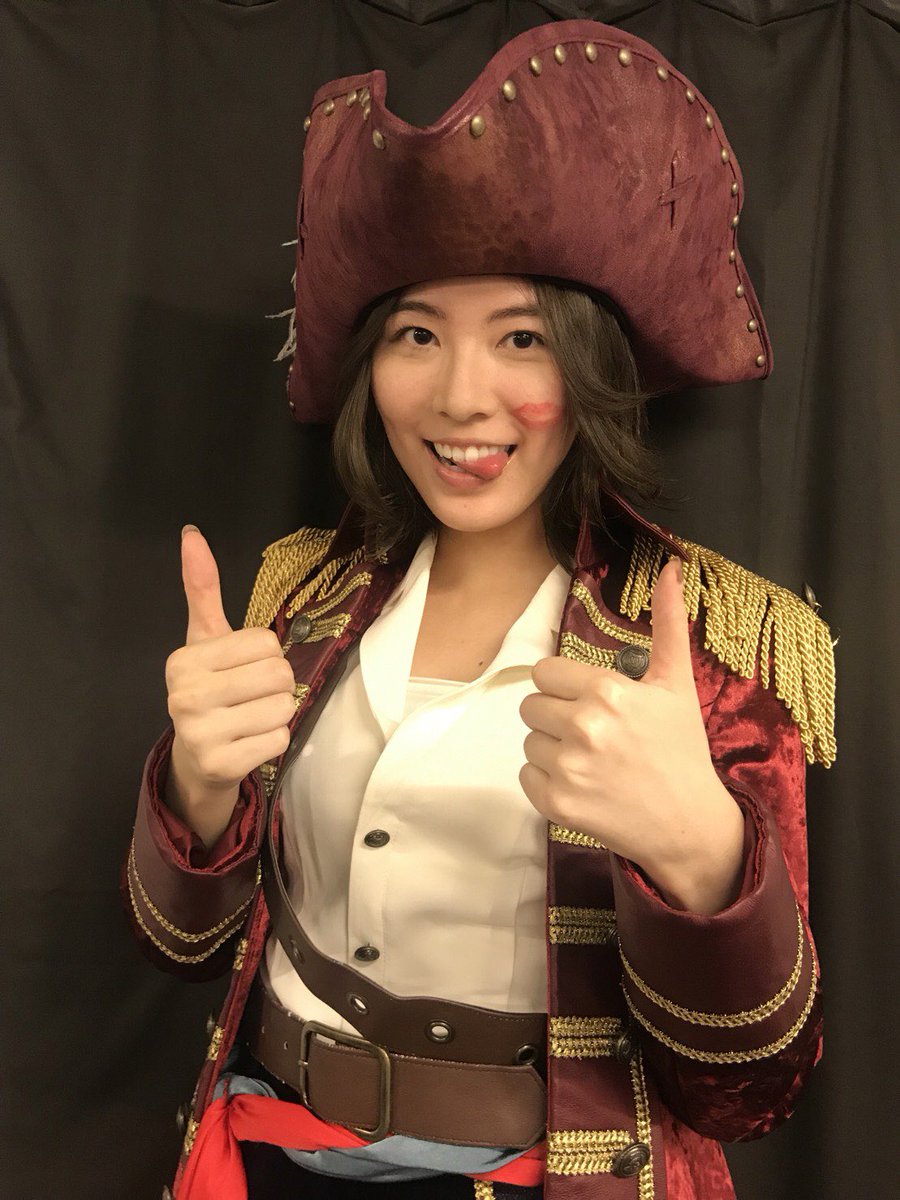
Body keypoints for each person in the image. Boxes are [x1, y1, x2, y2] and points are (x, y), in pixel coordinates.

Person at [122, 18, 837, 1200]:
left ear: (590, 368)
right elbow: (182, 948)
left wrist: (703, 858)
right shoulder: (300, 601)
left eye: (521, 338)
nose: (462, 396)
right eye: (418, 334)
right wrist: (195, 791)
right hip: (270, 1155)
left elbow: (751, 1091)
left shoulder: (711, 644)